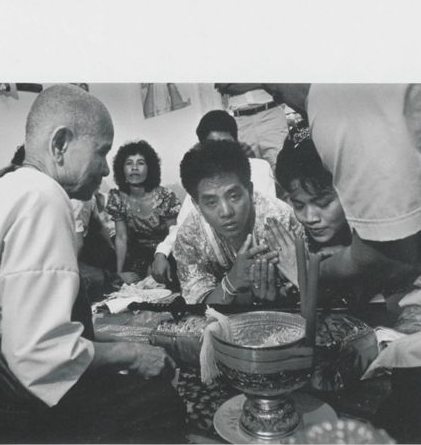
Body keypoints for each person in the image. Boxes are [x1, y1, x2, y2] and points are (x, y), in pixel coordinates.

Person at [0, 84, 184, 444]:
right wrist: (131, 354)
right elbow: (38, 356)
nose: (104, 169)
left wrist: (103, 341)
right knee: (155, 400)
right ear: (60, 144)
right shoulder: (41, 196)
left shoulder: (7, 188)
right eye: (101, 152)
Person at [263, 83, 421, 298]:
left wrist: (308, 273)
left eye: (323, 203)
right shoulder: (299, 243)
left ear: (349, 188)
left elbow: (389, 260)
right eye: (299, 205)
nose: (311, 217)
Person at [151, 109, 276, 285]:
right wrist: (161, 252)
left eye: (226, 144)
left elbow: (268, 218)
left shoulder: (259, 168)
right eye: (212, 145)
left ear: (236, 142)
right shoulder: (204, 180)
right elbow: (185, 223)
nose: (220, 151)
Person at [174, 140, 303, 305]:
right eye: (211, 202)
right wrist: (231, 282)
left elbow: (309, 287)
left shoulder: (281, 218)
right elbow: (198, 307)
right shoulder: (189, 236)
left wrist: (280, 297)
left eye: (234, 196)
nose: (226, 212)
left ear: (249, 190)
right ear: (197, 205)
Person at [106, 140, 181, 283]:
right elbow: (121, 237)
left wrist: (161, 258)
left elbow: (174, 236)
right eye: (129, 163)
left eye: (140, 163)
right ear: (121, 169)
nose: (134, 168)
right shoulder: (117, 198)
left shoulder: (165, 197)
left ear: (150, 168)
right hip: (136, 257)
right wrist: (119, 273)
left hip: (165, 254)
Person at [214, 84, 289, 169]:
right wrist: (262, 84)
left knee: (281, 165)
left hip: (270, 113)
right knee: (252, 168)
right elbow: (222, 85)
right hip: (241, 120)